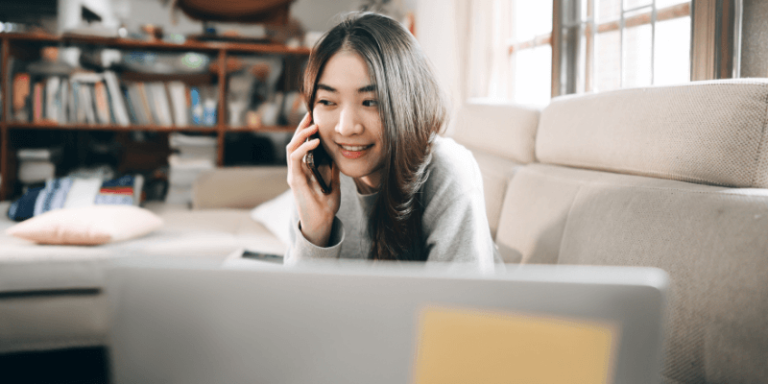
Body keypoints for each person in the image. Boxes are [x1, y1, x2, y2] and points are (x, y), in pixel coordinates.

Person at [285, 12, 497, 267]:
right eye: (328, 102)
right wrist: (316, 232)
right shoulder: (318, 179)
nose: (346, 127)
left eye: (371, 102)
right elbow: (299, 304)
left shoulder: (448, 172)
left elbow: (460, 305)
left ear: (407, 102)